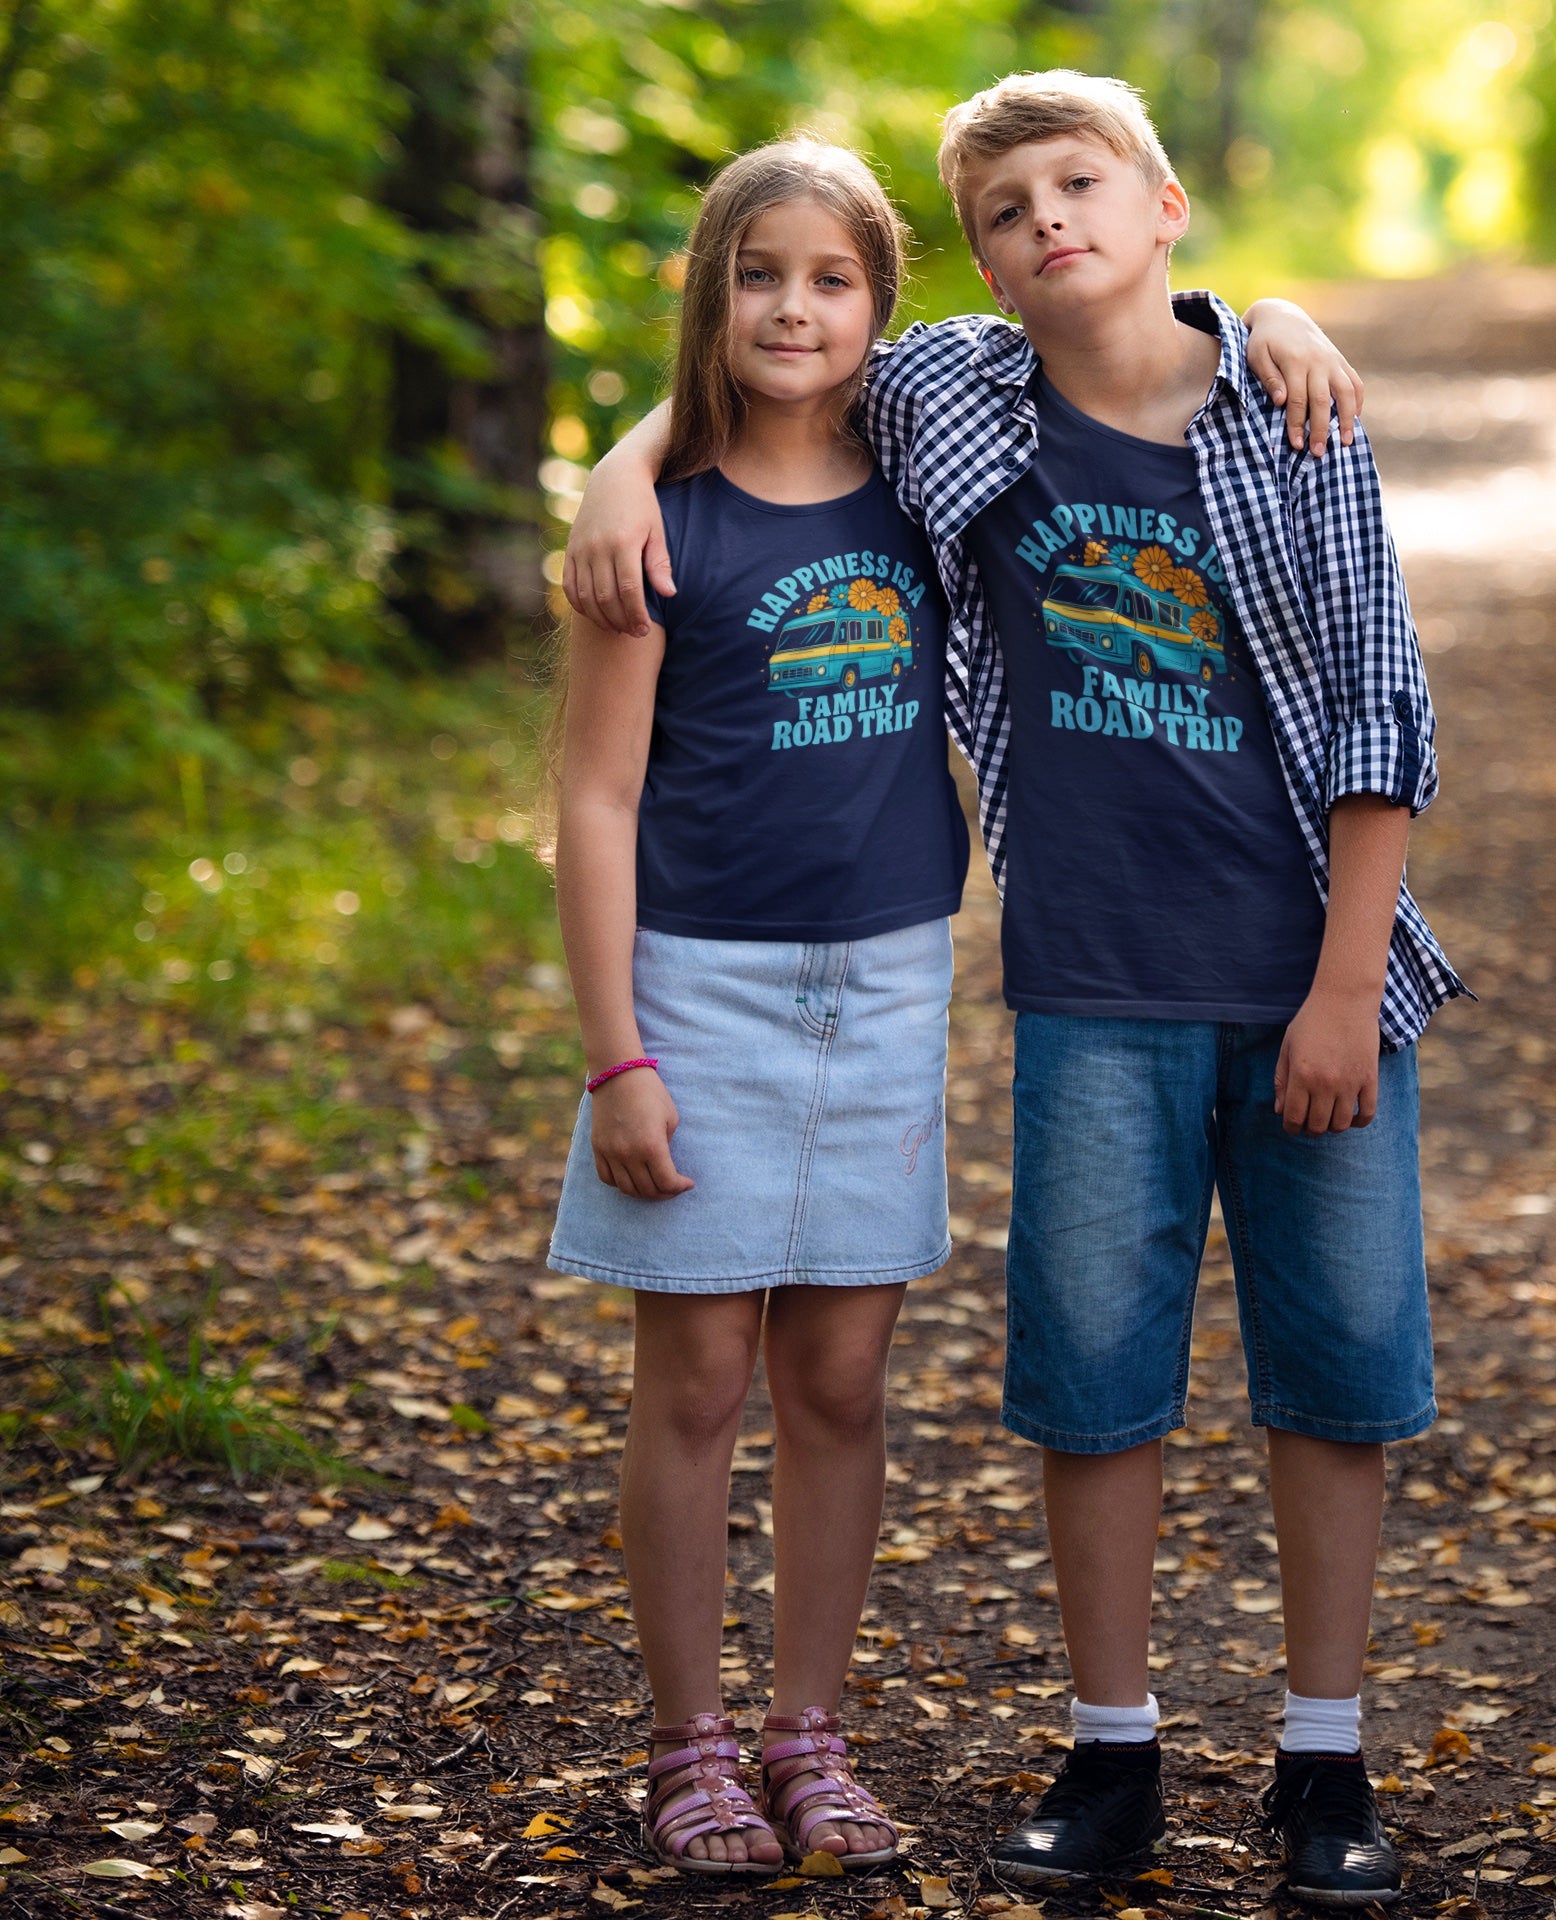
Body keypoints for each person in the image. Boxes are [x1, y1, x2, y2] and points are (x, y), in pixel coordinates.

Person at [562, 83, 1419, 1907]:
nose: (1050, 225)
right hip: (1085, 983)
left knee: (1330, 1376)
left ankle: (1326, 1757)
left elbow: (1376, 711)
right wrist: (619, 462)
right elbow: (776, 350)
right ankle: (1110, 1753)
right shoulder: (962, 406)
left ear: (1165, 203)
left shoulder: (1292, 416)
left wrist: (1268, 307)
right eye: (1009, 209)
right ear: (978, 262)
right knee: (1092, 1385)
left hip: (1303, 986)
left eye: (1080, 188)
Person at [544, 139, 968, 1875]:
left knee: (845, 1380)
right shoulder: (661, 526)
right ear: (711, 292)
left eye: (832, 278)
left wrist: (1279, 319)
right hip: (698, 989)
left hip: (887, 980)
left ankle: (809, 1735)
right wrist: (615, 1058)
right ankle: (690, 1743)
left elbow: (1097, 349)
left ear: (879, 302)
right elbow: (593, 801)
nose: (793, 307)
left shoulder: (932, 485)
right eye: (757, 273)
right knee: (703, 1372)